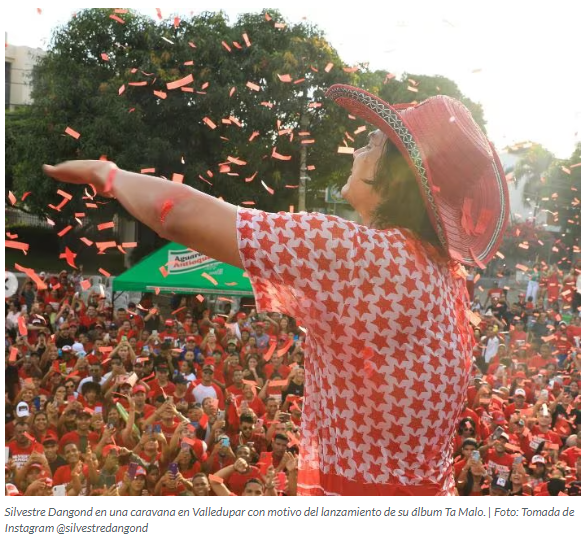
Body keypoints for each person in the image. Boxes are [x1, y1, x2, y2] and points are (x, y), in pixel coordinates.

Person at [43, 84, 509, 495]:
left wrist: (109, 176)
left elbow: (178, 213)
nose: (358, 149)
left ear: (395, 172)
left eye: (372, 143)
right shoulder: (445, 277)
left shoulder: (362, 254)